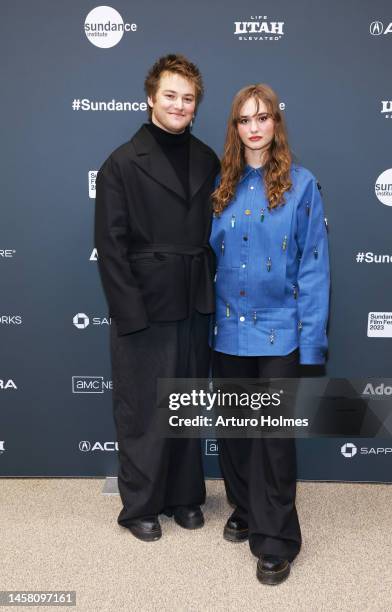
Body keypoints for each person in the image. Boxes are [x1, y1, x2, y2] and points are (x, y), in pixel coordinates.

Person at [95, 54, 219, 542]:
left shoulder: (209, 159)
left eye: (188, 98)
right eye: (170, 95)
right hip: (145, 304)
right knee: (144, 406)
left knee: (186, 401)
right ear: (150, 98)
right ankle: (140, 505)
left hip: (195, 299)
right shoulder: (121, 162)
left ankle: (185, 495)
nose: (179, 105)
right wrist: (129, 313)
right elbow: (110, 244)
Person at [210, 84, 330, 584]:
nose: (254, 127)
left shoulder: (302, 186)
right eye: (244, 120)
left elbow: (313, 267)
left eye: (262, 118)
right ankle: (246, 507)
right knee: (237, 435)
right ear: (235, 129)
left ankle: (278, 537)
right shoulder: (220, 185)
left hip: (281, 332)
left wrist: (312, 339)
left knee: (275, 439)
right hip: (227, 331)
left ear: (276, 123)